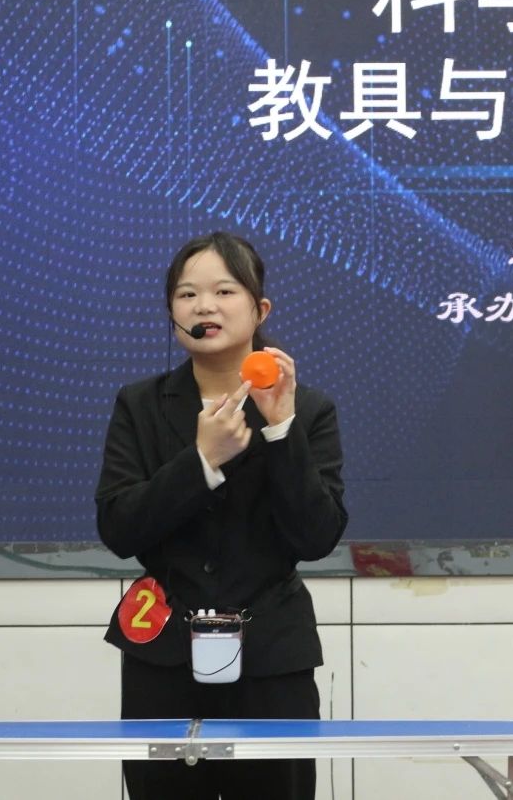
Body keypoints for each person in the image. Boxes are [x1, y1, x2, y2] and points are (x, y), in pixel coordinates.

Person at [96, 231, 348, 800]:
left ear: (260, 310)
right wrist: (202, 460)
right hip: (163, 655)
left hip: (272, 657)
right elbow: (118, 527)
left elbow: (316, 537)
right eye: (187, 295)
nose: (204, 306)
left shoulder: (308, 410)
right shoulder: (139, 404)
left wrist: (280, 428)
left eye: (224, 291)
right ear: (172, 314)